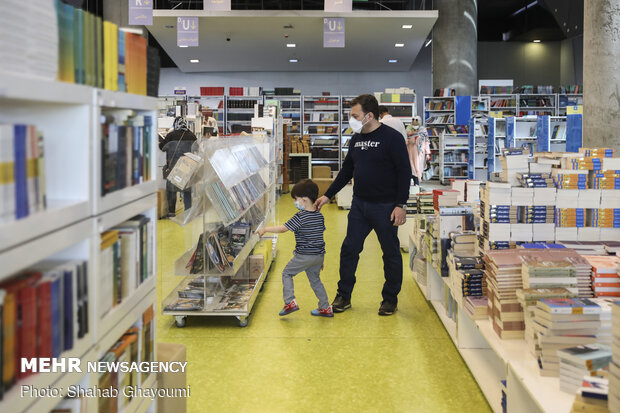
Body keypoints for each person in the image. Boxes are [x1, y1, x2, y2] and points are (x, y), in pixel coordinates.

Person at [314, 94, 411, 316]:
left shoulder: (392, 138)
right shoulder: (356, 139)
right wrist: (328, 195)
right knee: (349, 249)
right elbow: (347, 170)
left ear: (369, 116)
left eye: (354, 116)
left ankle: (390, 299)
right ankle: (344, 295)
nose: (351, 119)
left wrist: (401, 204)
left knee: (390, 253)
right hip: (360, 206)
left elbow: (404, 172)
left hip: (386, 207)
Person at [257, 179, 332, 318]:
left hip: (304, 255)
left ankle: (290, 302)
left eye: (296, 199)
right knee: (315, 281)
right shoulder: (319, 216)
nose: (295, 203)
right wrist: (321, 259)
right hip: (318, 256)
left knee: (287, 273)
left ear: (304, 200)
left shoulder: (300, 217)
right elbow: (320, 238)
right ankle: (325, 307)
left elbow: (283, 228)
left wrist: (265, 229)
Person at [160, 117, 196, 217]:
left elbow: (162, 147)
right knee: (187, 189)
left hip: (174, 166)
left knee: (171, 189)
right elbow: (196, 148)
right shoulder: (192, 135)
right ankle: (188, 210)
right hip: (187, 167)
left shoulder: (171, 135)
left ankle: (172, 212)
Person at [406, 116, 431, 186]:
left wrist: (427, 153)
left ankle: (417, 182)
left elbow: (426, 142)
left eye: (416, 120)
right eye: (413, 120)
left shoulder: (423, 130)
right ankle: (414, 182)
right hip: (410, 151)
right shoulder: (408, 129)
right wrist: (410, 140)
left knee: (418, 167)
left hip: (420, 152)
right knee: (411, 167)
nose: (414, 121)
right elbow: (405, 139)